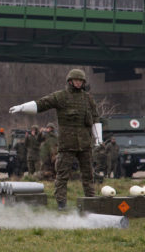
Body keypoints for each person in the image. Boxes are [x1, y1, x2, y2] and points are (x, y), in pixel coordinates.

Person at [9, 68, 101, 210]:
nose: (78, 83)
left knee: (88, 175)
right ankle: (61, 203)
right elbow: (42, 104)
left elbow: (95, 118)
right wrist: (22, 107)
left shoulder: (88, 99)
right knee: (62, 175)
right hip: (67, 144)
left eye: (81, 81)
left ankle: (90, 201)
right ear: (70, 81)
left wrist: (98, 139)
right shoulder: (61, 97)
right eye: (76, 80)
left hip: (85, 144)